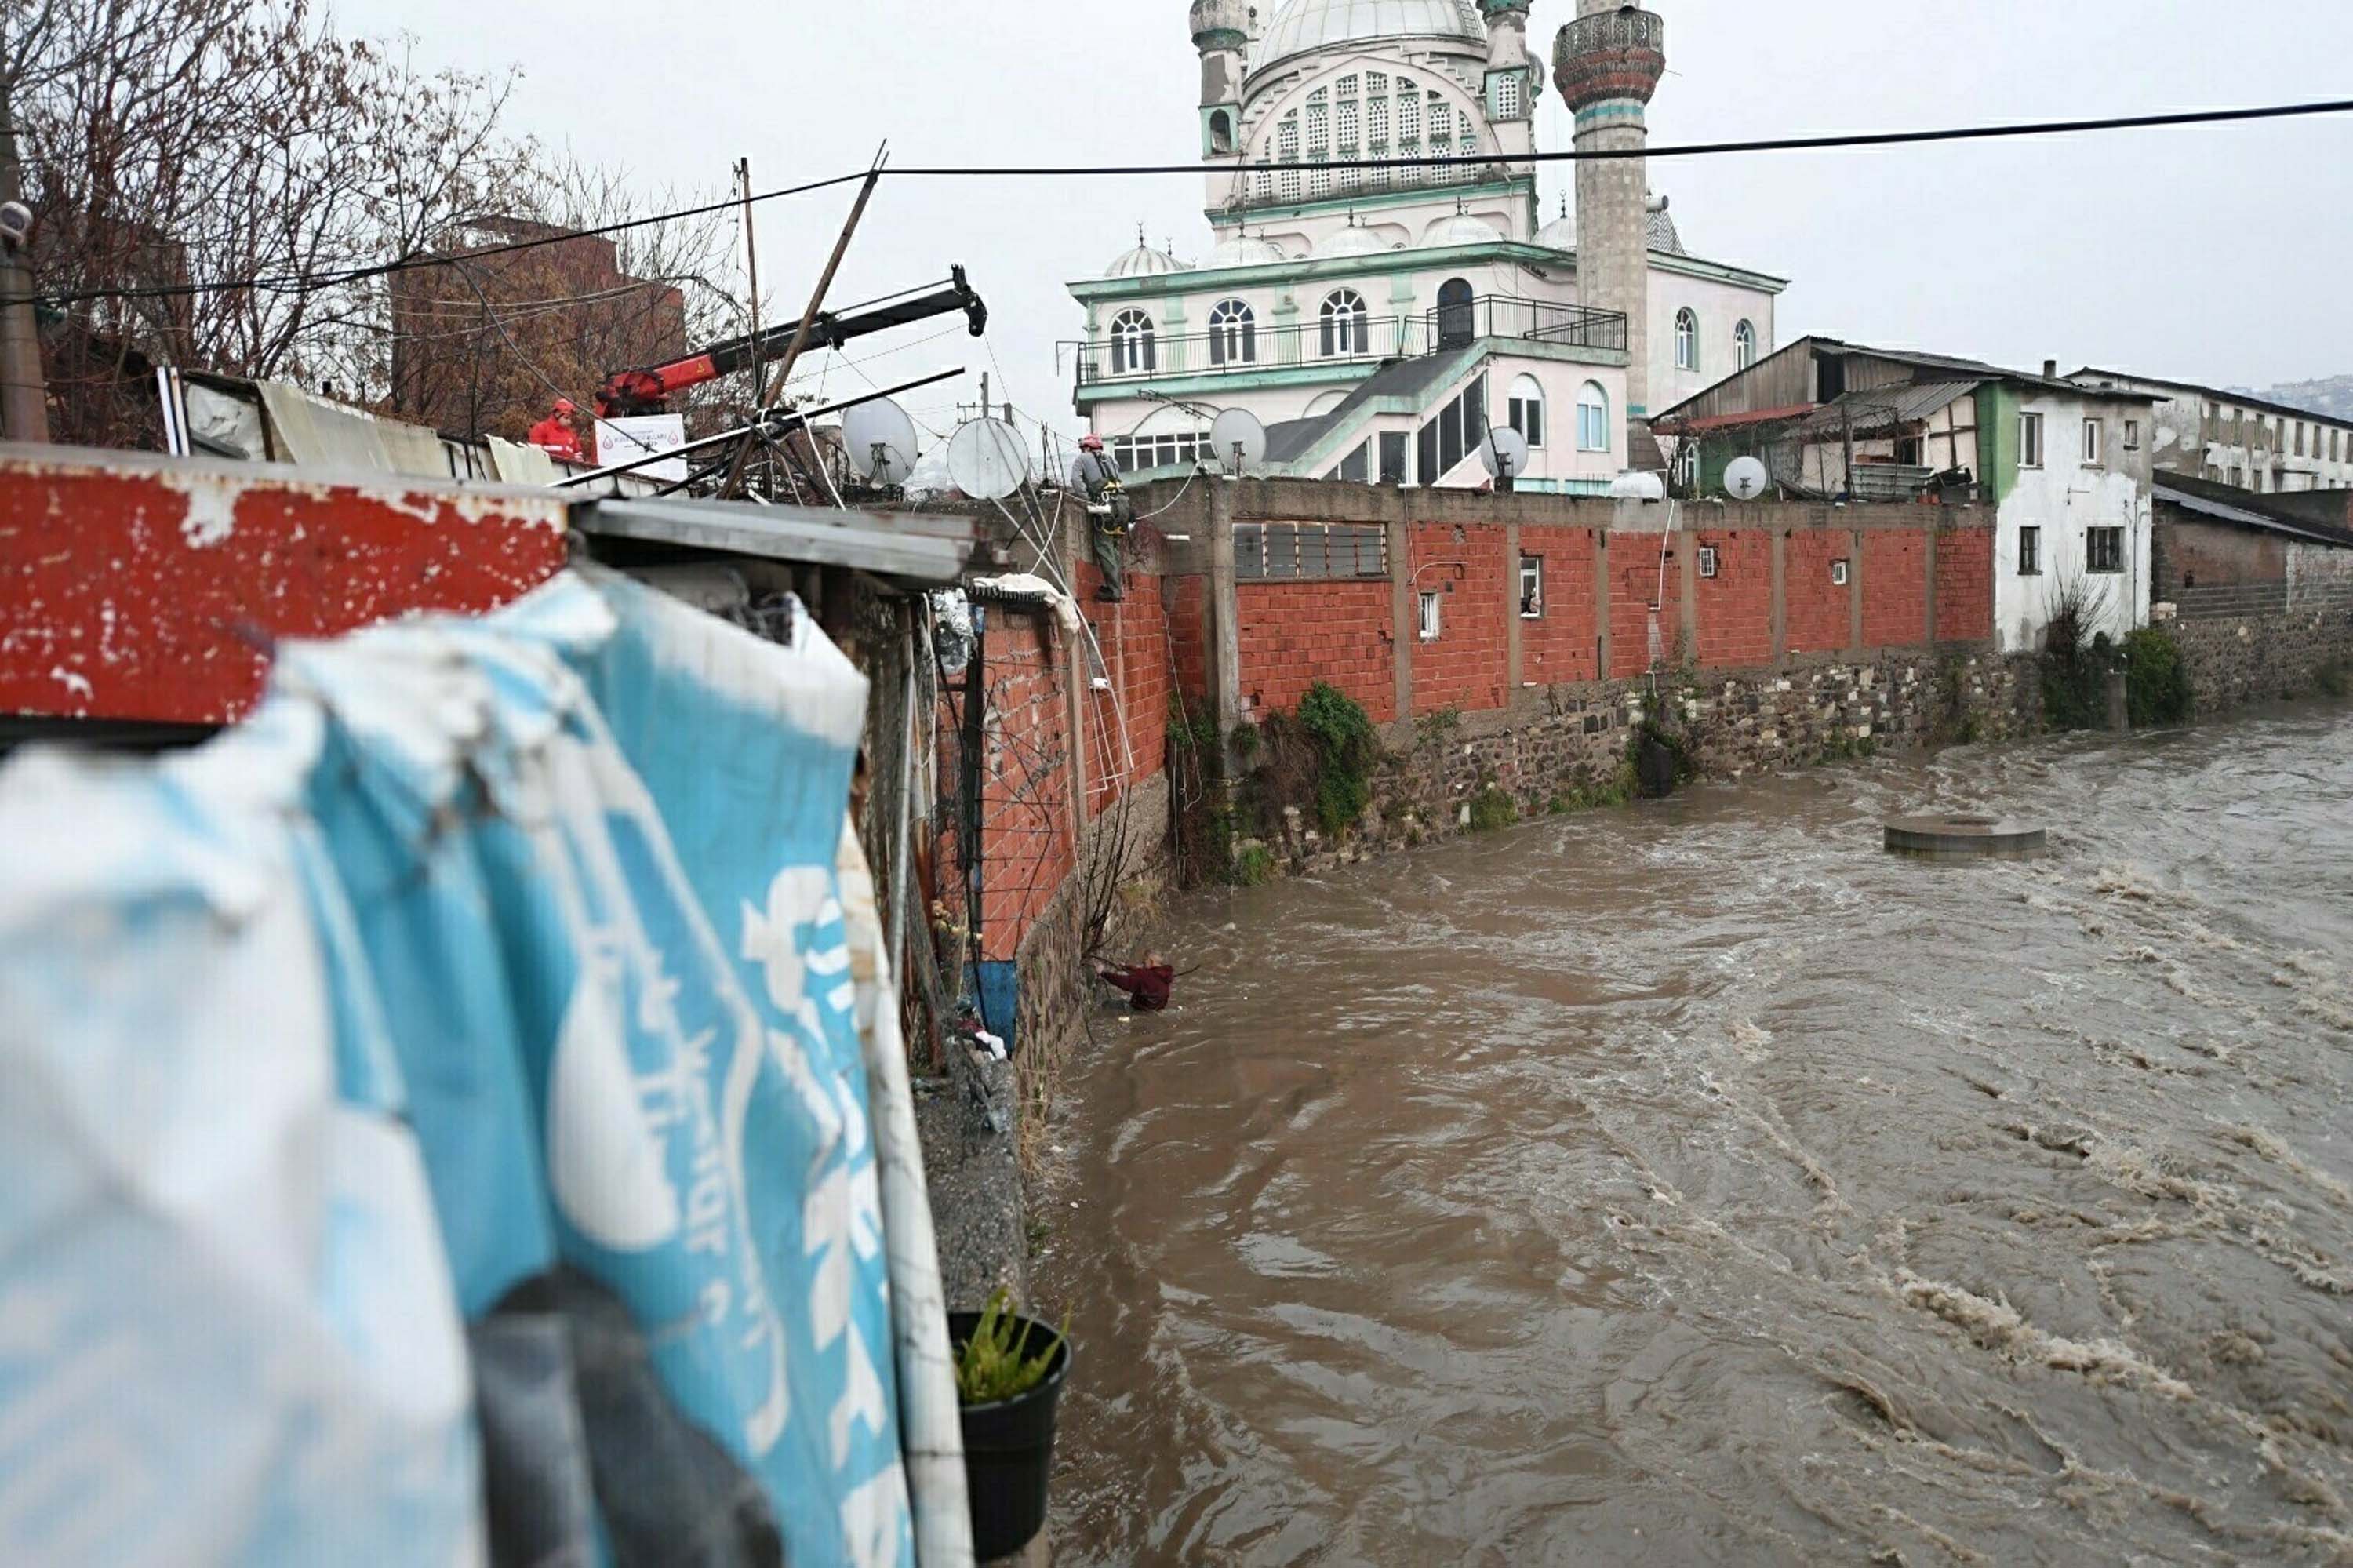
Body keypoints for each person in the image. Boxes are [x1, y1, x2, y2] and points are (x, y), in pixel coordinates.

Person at [1072, 433, 1132, 603]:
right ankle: (1117, 588)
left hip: (1105, 507)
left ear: (1086, 447)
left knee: (1104, 547)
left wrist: (1087, 499)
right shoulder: (1111, 460)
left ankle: (1114, 591)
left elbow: (1076, 481)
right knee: (1113, 547)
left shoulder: (1082, 459)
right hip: (1122, 505)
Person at [1096, 951, 1175, 1013]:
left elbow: (1123, 982)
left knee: (1106, 1004)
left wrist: (1103, 973)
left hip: (1139, 1010)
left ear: (1151, 962)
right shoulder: (1164, 975)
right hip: (1155, 1009)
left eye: (1144, 962)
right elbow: (1143, 973)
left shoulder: (1146, 976)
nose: (1142, 965)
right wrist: (1126, 967)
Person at [528, 398, 585, 464]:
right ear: (557, 414)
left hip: (569, 471)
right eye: (566, 418)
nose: (569, 422)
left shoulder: (571, 434)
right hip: (548, 468)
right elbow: (535, 453)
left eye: (570, 418)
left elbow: (578, 454)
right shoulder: (541, 428)